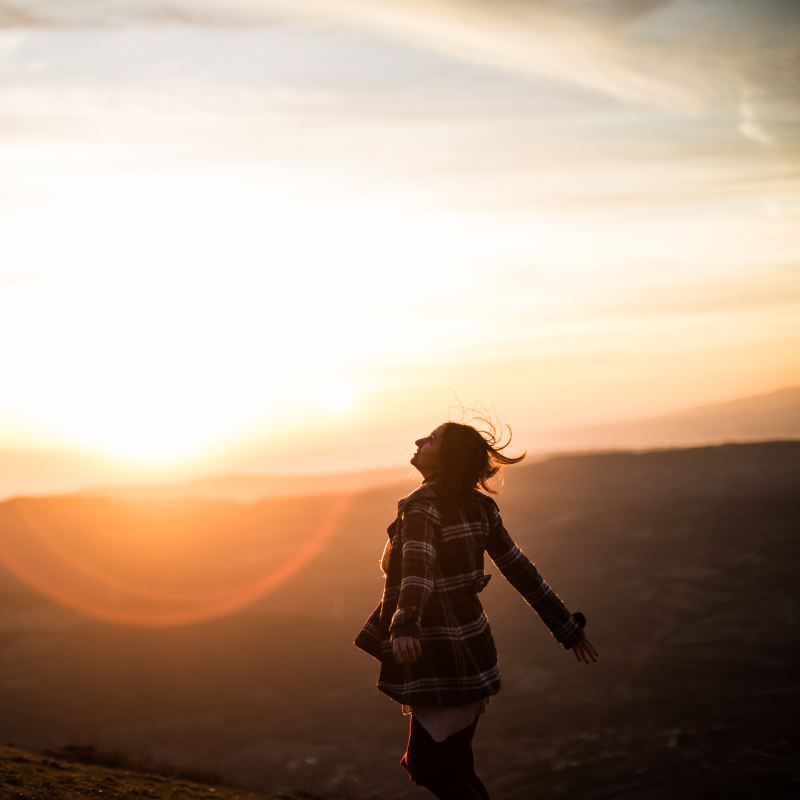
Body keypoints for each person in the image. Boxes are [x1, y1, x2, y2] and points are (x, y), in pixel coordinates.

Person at [355, 419, 598, 799]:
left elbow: (417, 572)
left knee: (429, 768)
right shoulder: (480, 507)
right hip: (474, 652)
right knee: (454, 766)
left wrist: (404, 625)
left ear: (447, 456)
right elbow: (521, 570)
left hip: (437, 655)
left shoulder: (422, 507)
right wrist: (566, 626)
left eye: (432, 439)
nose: (420, 440)